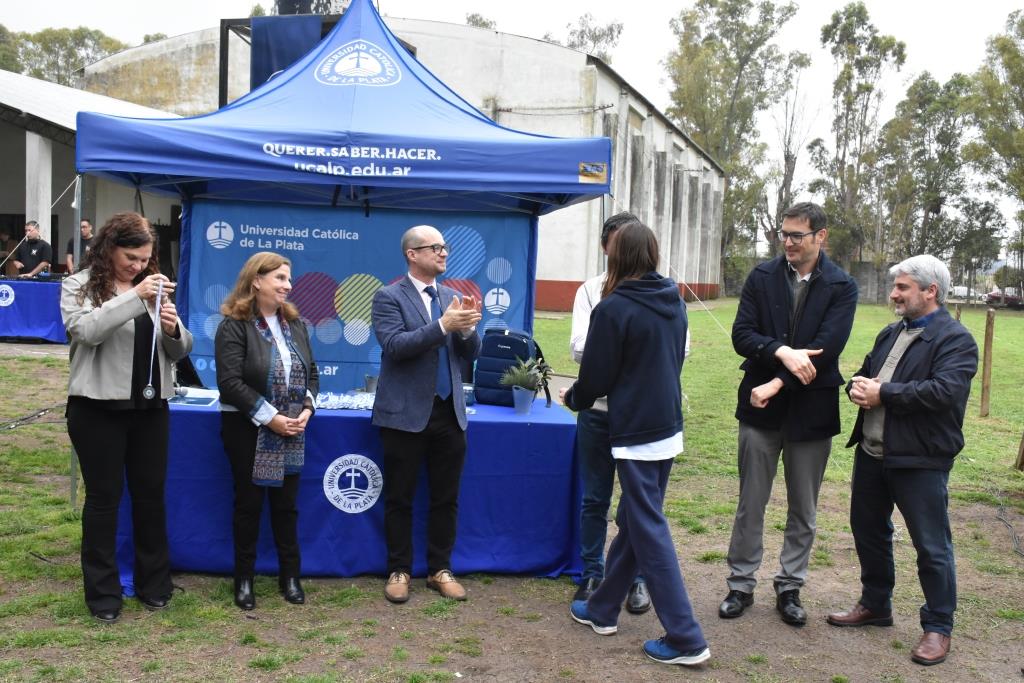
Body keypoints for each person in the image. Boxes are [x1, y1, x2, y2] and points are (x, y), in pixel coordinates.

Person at [562, 222, 709, 667]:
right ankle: (604, 608)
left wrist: (576, 396)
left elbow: (598, 375)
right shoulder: (673, 299)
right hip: (666, 422)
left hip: (635, 429)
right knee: (635, 519)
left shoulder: (613, 308)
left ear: (614, 255)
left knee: (647, 526)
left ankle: (686, 637)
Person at [827, 255, 978, 667]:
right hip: (873, 454)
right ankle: (876, 605)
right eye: (896, 286)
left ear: (931, 291)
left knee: (931, 546)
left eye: (903, 287)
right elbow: (869, 374)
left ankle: (938, 627)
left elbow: (942, 392)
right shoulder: (891, 332)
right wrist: (858, 388)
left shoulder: (955, 339)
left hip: (920, 460)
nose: (894, 293)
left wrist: (883, 393)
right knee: (868, 531)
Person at [720, 202, 858, 626]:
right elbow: (742, 335)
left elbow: (825, 349)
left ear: (821, 237)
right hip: (759, 410)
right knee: (751, 501)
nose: (788, 242)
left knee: (804, 507)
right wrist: (779, 350)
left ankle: (790, 585)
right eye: (783, 234)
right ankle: (740, 584)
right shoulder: (761, 277)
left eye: (797, 235)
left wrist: (778, 381)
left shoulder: (842, 286)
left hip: (810, 410)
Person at [60, 211, 192, 623]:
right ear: (109, 248)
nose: (138, 266)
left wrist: (171, 329)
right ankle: (102, 594)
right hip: (97, 409)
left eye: (144, 259)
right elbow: (87, 332)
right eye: (131, 258)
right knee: (103, 501)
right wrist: (134, 297)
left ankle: (155, 584)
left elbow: (182, 348)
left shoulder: (153, 289)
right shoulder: (78, 285)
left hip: (151, 409)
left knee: (150, 498)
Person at [371, 224, 482, 604]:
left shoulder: (452, 296)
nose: (443, 253)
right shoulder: (388, 297)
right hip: (404, 414)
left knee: (445, 498)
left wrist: (467, 331)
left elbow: (469, 354)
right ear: (412, 254)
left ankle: (440, 569)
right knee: (400, 497)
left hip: (449, 414)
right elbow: (396, 346)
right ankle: (399, 569)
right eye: (435, 247)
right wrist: (442, 326)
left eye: (445, 247)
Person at [215, 252, 318, 611]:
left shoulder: (297, 325)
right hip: (248, 428)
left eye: (289, 280)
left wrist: (307, 408)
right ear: (256, 281)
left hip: (292, 429)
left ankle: (290, 577)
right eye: (280, 279)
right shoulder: (234, 324)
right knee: (249, 505)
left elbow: (312, 374)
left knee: (286, 507)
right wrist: (270, 417)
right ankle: (244, 580)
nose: (288, 286)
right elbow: (228, 383)